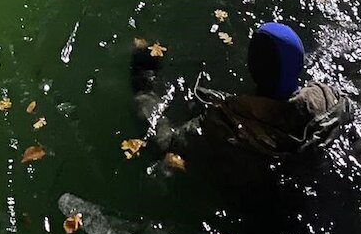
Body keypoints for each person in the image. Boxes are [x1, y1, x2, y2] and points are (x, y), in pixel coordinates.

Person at [132, 22, 349, 179]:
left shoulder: (223, 124)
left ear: (252, 68)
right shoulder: (334, 102)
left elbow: (163, 143)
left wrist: (144, 84)